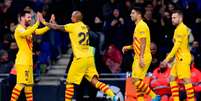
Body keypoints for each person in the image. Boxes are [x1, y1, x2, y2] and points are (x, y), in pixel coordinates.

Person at [42, 10, 119, 101]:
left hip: (79, 59)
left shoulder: (72, 26)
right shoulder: (85, 27)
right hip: (89, 58)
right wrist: (54, 24)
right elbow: (57, 26)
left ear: (75, 18)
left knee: (69, 83)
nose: (70, 18)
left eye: (72, 16)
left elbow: (55, 27)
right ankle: (113, 96)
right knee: (95, 82)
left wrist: (43, 22)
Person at [10, 10, 51, 101]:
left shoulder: (28, 29)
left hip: (29, 62)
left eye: (30, 17)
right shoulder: (19, 29)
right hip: (22, 62)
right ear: (22, 18)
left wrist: (49, 26)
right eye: (28, 17)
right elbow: (26, 34)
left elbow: (38, 31)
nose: (29, 19)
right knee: (21, 84)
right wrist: (37, 22)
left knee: (28, 87)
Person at [122, 6, 160, 101]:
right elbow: (137, 43)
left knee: (135, 80)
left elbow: (143, 43)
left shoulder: (142, 25)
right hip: (138, 56)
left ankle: (154, 96)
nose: (131, 15)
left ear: (139, 14)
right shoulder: (138, 26)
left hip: (142, 56)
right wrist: (128, 47)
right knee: (139, 84)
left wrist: (142, 57)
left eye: (133, 13)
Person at [161, 10, 195, 101]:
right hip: (178, 58)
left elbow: (176, 46)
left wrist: (167, 59)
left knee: (186, 80)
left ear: (180, 18)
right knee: (172, 79)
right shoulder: (178, 28)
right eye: (172, 17)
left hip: (183, 58)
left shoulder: (181, 29)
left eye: (174, 17)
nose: (172, 19)